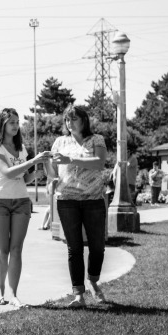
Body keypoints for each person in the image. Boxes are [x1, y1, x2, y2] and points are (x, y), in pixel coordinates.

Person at [0, 108, 52, 308]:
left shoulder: (21, 148)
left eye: (17, 122)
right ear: (2, 124)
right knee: (2, 250)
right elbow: (6, 172)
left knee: (16, 250)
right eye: (11, 122)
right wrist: (32, 161)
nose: (15, 126)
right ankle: (0, 291)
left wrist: (38, 171)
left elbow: (24, 178)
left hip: (21, 202)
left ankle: (14, 295)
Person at [45, 105, 107, 307]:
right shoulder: (59, 142)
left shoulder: (96, 139)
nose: (69, 123)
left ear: (84, 121)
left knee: (97, 246)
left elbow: (99, 163)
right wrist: (51, 180)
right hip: (67, 200)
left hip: (94, 199)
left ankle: (93, 280)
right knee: (74, 248)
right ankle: (78, 294)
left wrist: (70, 159)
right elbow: (52, 169)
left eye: (73, 119)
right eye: (67, 120)